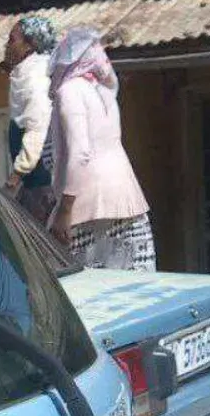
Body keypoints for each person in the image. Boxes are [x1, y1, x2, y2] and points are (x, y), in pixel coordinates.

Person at [48, 27, 155, 270]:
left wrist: (65, 210)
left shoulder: (70, 92)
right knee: (134, 291)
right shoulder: (104, 89)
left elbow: (79, 154)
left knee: (90, 292)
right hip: (128, 200)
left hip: (88, 207)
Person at [3, 12, 57, 223]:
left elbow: (37, 130)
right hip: (33, 184)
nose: (8, 46)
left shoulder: (36, 78)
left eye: (12, 40)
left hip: (42, 188)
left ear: (30, 45)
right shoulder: (26, 74)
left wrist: (13, 179)